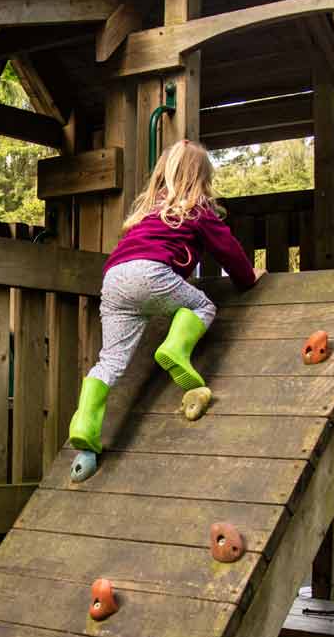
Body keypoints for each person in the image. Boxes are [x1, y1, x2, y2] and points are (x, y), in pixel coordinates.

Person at [66, 139, 259, 455]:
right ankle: (176, 349)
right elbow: (228, 251)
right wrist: (248, 280)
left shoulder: (147, 213)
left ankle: (84, 423)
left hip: (113, 279)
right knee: (202, 306)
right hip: (150, 274)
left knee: (111, 359)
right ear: (202, 179)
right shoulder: (198, 210)